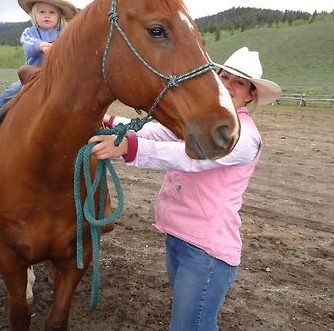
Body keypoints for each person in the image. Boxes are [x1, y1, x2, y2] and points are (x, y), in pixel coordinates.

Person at [89, 47, 281, 331]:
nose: (228, 85)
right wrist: (113, 123)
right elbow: (162, 131)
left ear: (250, 93)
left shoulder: (244, 137)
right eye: (224, 76)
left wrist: (130, 148)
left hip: (207, 250)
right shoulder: (205, 119)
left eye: (238, 82)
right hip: (180, 238)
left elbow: (191, 156)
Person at [0, 0, 77, 128]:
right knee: (13, 89)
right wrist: (41, 46)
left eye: (52, 12)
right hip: (32, 75)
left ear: (59, 15)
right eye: (42, 12)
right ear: (34, 14)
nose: (47, 15)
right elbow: (28, 44)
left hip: (57, 75)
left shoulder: (65, 33)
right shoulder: (29, 32)